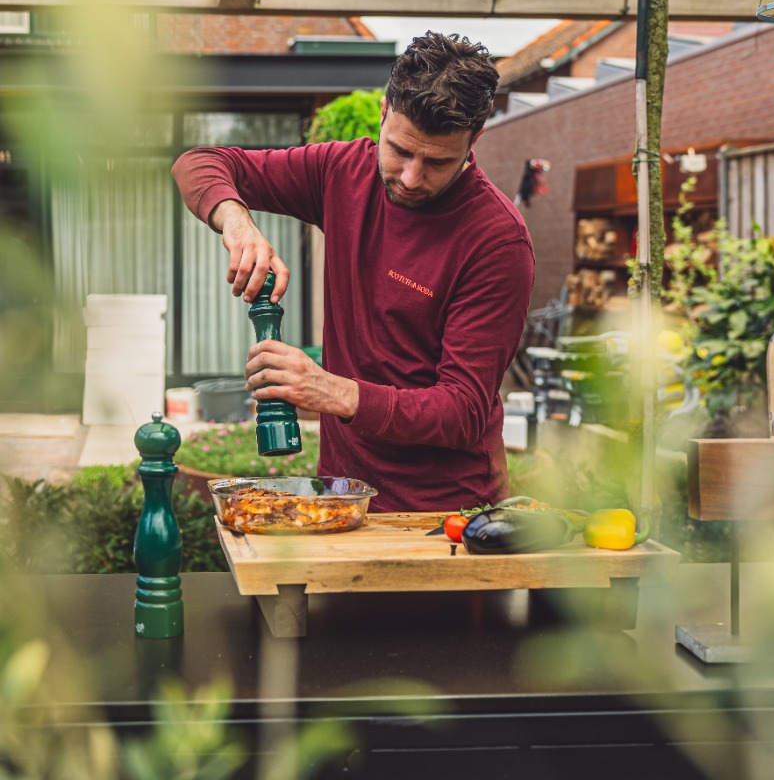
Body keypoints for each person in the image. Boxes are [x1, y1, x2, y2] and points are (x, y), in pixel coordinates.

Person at [172, 31, 535, 512]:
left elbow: (462, 411)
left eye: (437, 161)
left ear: (475, 139)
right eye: (400, 151)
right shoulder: (341, 172)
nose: (410, 177)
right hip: (345, 499)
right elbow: (199, 163)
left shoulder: (496, 240)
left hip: (446, 517)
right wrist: (237, 224)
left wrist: (330, 390)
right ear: (384, 113)